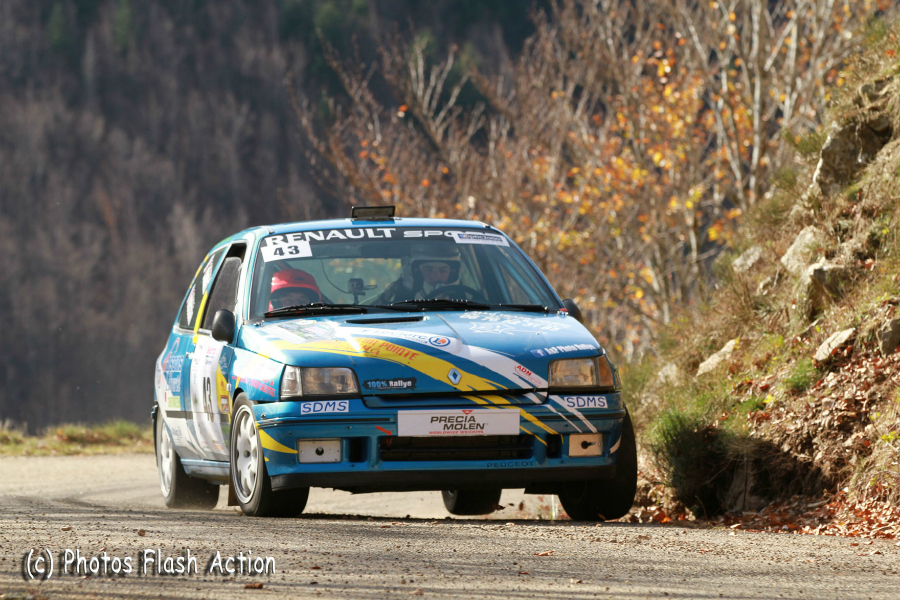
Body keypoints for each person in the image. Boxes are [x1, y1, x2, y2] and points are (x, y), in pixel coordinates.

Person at [377, 244, 462, 303]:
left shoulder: (463, 301)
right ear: (415, 273)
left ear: (452, 273)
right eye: (428, 270)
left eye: (443, 270)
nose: (436, 277)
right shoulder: (398, 301)